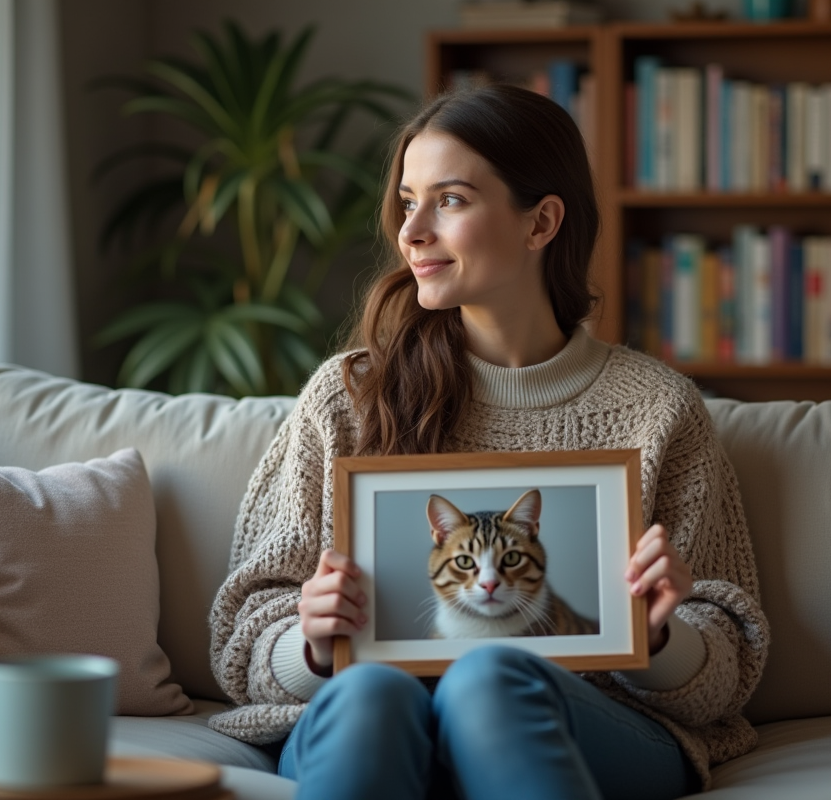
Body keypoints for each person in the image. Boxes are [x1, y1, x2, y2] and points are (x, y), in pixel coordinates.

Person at [208, 84, 769, 800]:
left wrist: (659, 636)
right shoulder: (347, 397)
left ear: (541, 223)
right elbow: (243, 639)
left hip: (587, 724)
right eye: (408, 201)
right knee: (375, 693)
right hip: (368, 719)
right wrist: (311, 643)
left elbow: (726, 667)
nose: (411, 231)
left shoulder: (658, 409)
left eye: (449, 200)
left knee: (489, 677)